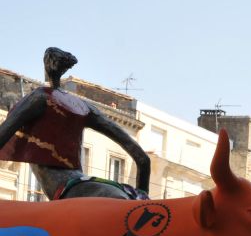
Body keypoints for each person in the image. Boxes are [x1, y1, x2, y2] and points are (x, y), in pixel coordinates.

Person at [0, 47, 150, 199]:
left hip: (67, 190)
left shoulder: (39, 98)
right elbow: (144, 160)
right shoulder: (84, 107)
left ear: (46, 66)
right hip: (101, 185)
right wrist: (142, 199)